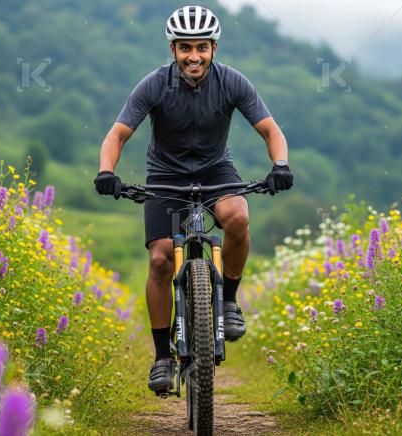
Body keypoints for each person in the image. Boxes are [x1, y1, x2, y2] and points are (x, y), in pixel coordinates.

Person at [94, 5, 293, 394]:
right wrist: (106, 172)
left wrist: (280, 164)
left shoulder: (233, 82)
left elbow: (272, 131)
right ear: (173, 50)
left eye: (201, 47)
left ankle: (230, 302)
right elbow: (116, 136)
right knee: (160, 259)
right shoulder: (153, 84)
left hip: (216, 170)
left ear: (214, 48)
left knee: (237, 216)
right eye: (185, 48)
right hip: (165, 176)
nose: (194, 56)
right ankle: (162, 357)